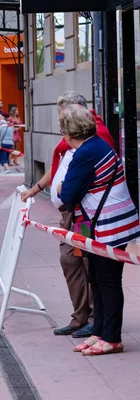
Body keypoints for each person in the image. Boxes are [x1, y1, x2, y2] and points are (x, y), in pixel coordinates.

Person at [21, 91, 116, 339]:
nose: (61, 123)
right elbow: (58, 169)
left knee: (84, 260)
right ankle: (81, 316)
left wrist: (67, 190)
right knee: (72, 259)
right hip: (72, 214)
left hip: (84, 216)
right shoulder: (71, 139)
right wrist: (36, 189)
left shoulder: (96, 136)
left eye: (64, 116)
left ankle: (94, 319)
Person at [57, 105, 140, 356]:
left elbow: (68, 194)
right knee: (97, 278)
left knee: (107, 280)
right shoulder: (94, 147)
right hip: (99, 224)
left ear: (71, 132)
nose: (62, 135)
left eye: (63, 129)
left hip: (107, 226)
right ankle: (99, 332)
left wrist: (61, 187)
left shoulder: (87, 153)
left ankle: (112, 337)